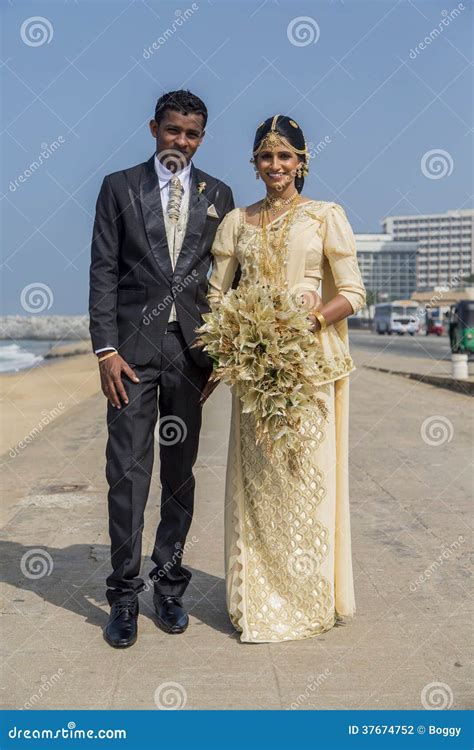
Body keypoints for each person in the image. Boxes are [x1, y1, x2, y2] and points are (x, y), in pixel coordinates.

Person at [202, 114, 366, 643]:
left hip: (309, 367)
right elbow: (215, 294)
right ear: (255, 164)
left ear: (302, 162)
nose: (276, 166)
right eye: (266, 157)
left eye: (285, 157)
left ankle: (308, 596)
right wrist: (229, 336)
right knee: (259, 482)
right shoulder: (236, 222)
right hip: (253, 367)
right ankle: (259, 600)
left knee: (305, 478)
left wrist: (310, 320)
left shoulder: (324, 216)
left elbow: (354, 292)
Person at [88, 90, 235, 648]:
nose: (181, 141)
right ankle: (123, 597)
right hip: (129, 358)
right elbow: (103, 270)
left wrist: (223, 351)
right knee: (126, 475)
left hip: (191, 359)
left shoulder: (218, 194)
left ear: (202, 137)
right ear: (154, 128)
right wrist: (106, 350)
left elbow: (229, 276)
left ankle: (168, 589)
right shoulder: (119, 188)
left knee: (178, 478)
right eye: (173, 131)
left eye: (192, 134)